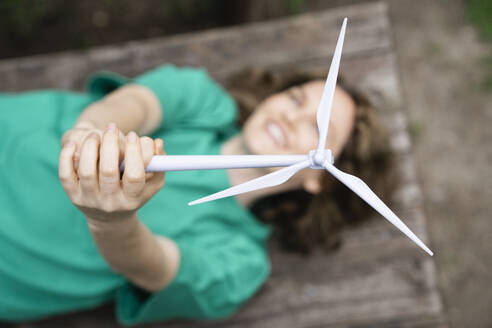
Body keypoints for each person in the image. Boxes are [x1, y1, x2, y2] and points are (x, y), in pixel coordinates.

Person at [0, 65, 391, 325]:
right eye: (295, 98)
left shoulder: (239, 262)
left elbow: (148, 265)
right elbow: (132, 105)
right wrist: (91, 134)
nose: (291, 117)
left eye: (318, 129)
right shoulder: (202, 98)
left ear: (319, 180)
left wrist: (110, 219)